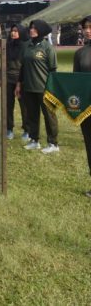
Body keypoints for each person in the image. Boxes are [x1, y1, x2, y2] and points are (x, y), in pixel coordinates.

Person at [22, 19, 59, 153]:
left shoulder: (47, 48)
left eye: (34, 28)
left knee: (49, 117)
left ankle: (53, 143)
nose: (31, 30)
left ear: (41, 31)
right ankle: (34, 140)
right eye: (31, 28)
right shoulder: (27, 46)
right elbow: (23, 67)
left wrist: (52, 89)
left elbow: (53, 70)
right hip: (29, 88)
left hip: (44, 88)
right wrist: (20, 84)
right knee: (32, 115)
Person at [73, 16, 91, 198]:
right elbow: (76, 82)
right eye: (85, 27)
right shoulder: (80, 54)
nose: (88, 30)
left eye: (90, 27)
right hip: (87, 108)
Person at [6, 24, 29, 140]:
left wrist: (20, 82)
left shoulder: (25, 46)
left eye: (16, 31)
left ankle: (27, 130)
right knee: (8, 105)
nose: (13, 33)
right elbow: (4, 62)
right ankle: (9, 129)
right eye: (12, 30)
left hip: (21, 79)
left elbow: (25, 65)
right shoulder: (8, 45)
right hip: (8, 78)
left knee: (24, 105)